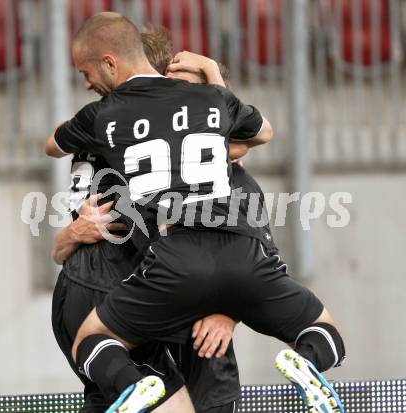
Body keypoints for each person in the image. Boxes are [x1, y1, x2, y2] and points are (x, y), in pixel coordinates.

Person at [46, 13, 345, 413]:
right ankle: (308, 362)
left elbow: (51, 146)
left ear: (111, 66)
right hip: (141, 278)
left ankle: (134, 385)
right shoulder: (206, 131)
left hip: (165, 271)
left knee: (107, 364)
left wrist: (228, 313)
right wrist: (68, 236)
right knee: (317, 331)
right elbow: (246, 141)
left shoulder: (106, 122)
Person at [51, 29, 241, 413]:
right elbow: (235, 145)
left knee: (119, 399)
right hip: (117, 292)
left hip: (129, 292)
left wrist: (229, 313)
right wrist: (72, 233)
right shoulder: (131, 139)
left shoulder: (112, 132)